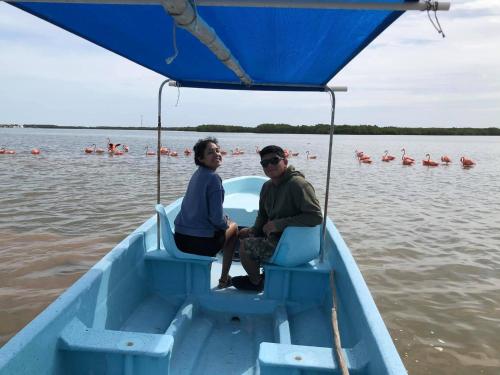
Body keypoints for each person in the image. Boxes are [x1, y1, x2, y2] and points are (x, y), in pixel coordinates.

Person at [232, 145, 323, 291]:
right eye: (264, 163)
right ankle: (263, 273)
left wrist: (279, 224)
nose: (269, 165)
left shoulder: (298, 185)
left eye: (274, 160)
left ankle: (255, 282)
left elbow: (316, 217)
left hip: (292, 245)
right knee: (240, 233)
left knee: (245, 247)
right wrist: (254, 230)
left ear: (285, 162)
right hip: (275, 238)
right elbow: (263, 215)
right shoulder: (267, 187)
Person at [174, 137, 238, 288]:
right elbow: (216, 219)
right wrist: (226, 222)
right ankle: (224, 279)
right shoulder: (214, 178)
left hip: (180, 240)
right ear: (200, 158)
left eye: (217, 150)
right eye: (210, 152)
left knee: (223, 225)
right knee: (234, 228)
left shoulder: (197, 175)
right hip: (199, 244)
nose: (216, 154)